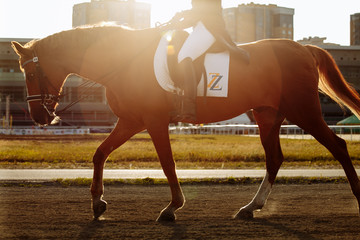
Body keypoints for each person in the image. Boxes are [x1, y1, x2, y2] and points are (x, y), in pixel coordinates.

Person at [168, 0, 250, 121]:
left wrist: (182, 16)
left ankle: (188, 107)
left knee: (184, 55)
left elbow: (204, 10)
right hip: (200, 26)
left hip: (210, 27)